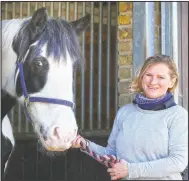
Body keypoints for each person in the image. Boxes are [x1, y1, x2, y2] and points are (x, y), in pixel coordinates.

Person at [72, 55, 188, 180]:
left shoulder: (177, 115)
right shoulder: (125, 112)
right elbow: (112, 154)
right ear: (141, 77)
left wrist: (130, 170)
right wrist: (85, 144)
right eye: (148, 75)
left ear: (172, 81)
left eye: (161, 77)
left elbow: (178, 162)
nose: (153, 81)